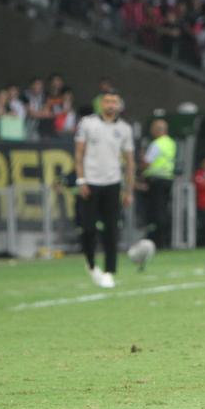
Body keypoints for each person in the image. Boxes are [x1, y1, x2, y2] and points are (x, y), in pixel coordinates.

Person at [73, 89, 135, 288]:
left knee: (111, 229)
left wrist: (128, 190)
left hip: (112, 182)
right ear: (101, 104)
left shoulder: (125, 129)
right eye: (107, 101)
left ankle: (109, 270)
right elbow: (79, 153)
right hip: (91, 181)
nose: (110, 105)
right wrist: (81, 180)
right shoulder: (88, 124)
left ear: (119, 106)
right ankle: (91, 263)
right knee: (89, 228)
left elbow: (130, 161)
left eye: (114, 102)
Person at [139, 119, 176, 248]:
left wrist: (141, 160)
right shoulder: (170, 143)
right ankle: (165, 240)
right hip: (167, 178)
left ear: (157, 130)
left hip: (156, 180)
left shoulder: (156, 144)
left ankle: (156, 240)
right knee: (164, 210)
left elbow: (147, 163)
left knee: (155, 211)